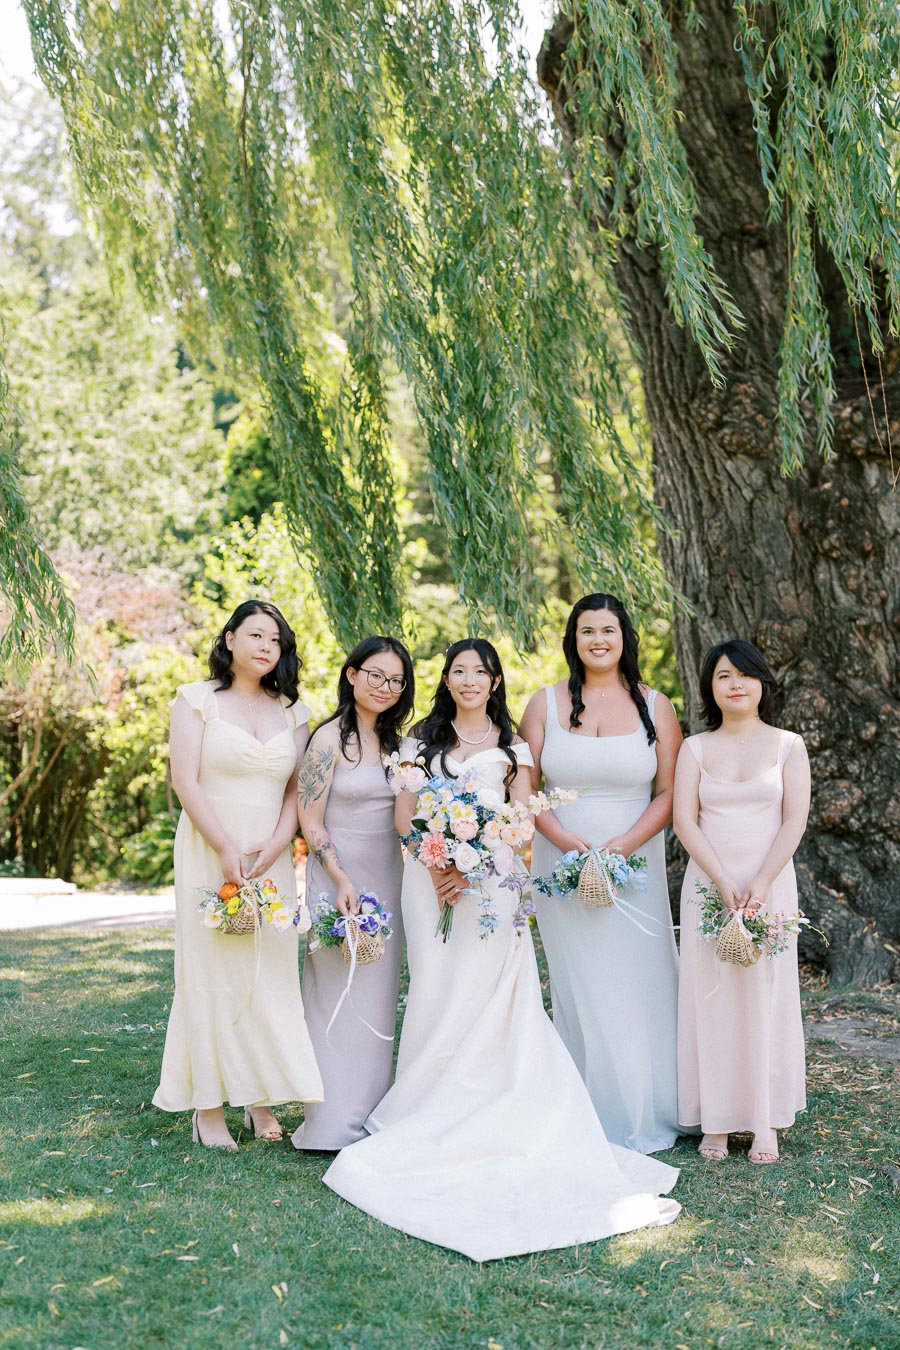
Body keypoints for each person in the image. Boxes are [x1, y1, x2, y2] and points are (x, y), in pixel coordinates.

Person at [322, 639, 679, 1261]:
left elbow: (520, 821)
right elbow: (404, 817)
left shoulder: (514, 747)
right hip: (428, 883)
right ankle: (430, 1103)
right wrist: (434, 860)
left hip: (492, 886)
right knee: (436, 989)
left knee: (496, 993)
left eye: (480, 672)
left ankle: (502, 1102)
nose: (469, 680)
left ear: (494, 683)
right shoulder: (417, 746)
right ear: (447, 680)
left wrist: (482, 856)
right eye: (458, 671)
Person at [153, 601, 323, 1148]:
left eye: (275, 641)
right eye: (255, 635)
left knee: (267, 972)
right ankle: (207, 1107)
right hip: (210, 846)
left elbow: (298, 789)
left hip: (269, 853)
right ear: (230, 640)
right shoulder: (196, 701)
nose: (265, 647)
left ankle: (261, 1099)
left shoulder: (294, 712)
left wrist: (277, 844)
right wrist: (224, 846)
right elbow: (185, 781)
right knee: (209, 971)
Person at [520, 593, 682, 1154]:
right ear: (573, 639)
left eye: (608, 630)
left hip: (634, 862)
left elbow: (670, 792)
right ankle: (582, 1105)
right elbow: (526, 789)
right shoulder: (543, 704)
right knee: (580, 983)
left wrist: (623, 846)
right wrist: (566, 842)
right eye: (586, 631)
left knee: (637, 979)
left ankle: (647, 1103)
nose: (597, 640)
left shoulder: (656, 706)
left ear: (624, 638)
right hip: (562, 859)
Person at [673, 639, 809, 1163]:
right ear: (711, 686)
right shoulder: (695, 748)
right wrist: (722, 879)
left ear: (762, 684)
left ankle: (763, 1119)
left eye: (745, 675)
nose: (735, 684)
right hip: (710, 885)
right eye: (723, 676)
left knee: (765, 996)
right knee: (712, 995)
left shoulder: (788, 746)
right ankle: (718, 1120)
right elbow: (685, 818)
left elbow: (794, 819)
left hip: (770, 885)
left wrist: (760, 882)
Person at [292, 636, 415, 1151]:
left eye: (396, 680)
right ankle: (329, 1120)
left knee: (379, 991)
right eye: (376, 675)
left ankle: (369, 1114)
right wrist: (341, 879)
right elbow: (310, 822)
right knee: (334, 993)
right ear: (351, 674)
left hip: (388, 878)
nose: (386, 687)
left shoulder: (399, 745)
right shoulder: (327, 740)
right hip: (337, 878)